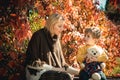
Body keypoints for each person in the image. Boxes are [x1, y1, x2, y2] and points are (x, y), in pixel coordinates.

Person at [24, 13, 79, 80]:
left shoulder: (56, 39)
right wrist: (56, 69)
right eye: (59, 26)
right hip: (38, 73)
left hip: (56, 73)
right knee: (65, 77)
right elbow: (33, 62)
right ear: (51, 24)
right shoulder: (38, 36)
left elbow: (63, 65)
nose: (62, 29)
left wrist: (80, 72)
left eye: (62, 26)